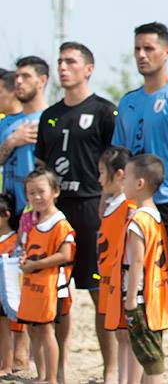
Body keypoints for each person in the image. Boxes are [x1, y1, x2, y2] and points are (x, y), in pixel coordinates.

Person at [112, 22, 168, 384]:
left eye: (149, 48)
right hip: (136, 203)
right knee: (135, 286)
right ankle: (146, 368)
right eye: (137, 49)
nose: (142, 56)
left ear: (166, 52)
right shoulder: (128, 102)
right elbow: (119, 156)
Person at [34, 42, 117, 380]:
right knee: (57, 294)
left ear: (88, 68)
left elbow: (115, 166)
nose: (63, 67)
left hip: (91, 208)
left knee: (100, 291)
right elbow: (41, 164)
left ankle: (110, 368)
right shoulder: (49, 115)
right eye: (60, 61)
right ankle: (61, 368)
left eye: (71, 61)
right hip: (57, 211)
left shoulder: (104, 112)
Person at [108, 155, 168, 384]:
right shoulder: (155, 216)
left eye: (126, 178)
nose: (122, 183)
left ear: (139, 184)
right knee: (150, 356)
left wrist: (131, 299)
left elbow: (136, 262)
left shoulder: (138, 221)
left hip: (141, 298)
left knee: (152, 361)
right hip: (156, 295)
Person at [17, 169, 75, 384]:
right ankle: (41, 375)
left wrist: (36, 265)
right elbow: (29, 247)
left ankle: (51, 378)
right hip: (33, 285)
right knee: (34, 330)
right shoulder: (31, 220)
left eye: (41, 191)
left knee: (47, 330)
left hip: (52, 285)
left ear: (55, 191)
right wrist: (25, 259)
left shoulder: (60, 223)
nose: (36, 197)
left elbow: (66, 255)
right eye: (31, 193)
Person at [97, 146, 136, 384]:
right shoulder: (111, 205)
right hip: (109, 280)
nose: (99, 179)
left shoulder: (129, 208)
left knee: (129, 335)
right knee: (121, 334)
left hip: (123, 281)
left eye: (102, 172)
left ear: (120, 174)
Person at [0, 55, 50, 214]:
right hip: (8, 212)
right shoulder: (6, 123)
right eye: (17, 76)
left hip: (39, 212)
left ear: (42, 80)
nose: (19, 81)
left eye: (26, 76)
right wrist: (12, 141)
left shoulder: (52, 119)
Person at [0, 193, 21, 375]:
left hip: (7, 292)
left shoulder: (14, 241)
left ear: (6, 215)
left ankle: (7, 364)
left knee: (6, 328)